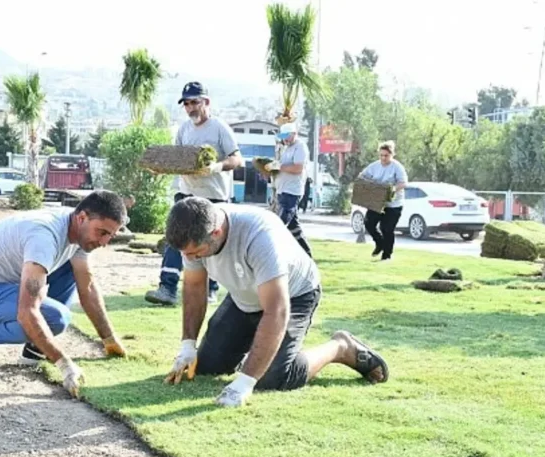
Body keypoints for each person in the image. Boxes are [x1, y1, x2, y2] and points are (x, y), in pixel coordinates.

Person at [162, 197, 389, 407]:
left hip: (293, 295)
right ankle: (254, 351)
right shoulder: (194, 232)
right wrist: (187, 345)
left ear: (216, 232)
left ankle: (340, 347)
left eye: (197, 254)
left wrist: (245, 382)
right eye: (187, 254)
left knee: (271, 377)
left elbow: (276, 311)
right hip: (245, 296)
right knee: (204, 367)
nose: (191, 259)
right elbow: (193, 286)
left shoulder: (260, 237)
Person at [0, 190, 129, 398]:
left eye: (111, 236)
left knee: (73, 270)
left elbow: (86, 286)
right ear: (81, 217)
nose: (104, 242)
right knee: (56, 318)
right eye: (102, 232)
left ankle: (36, 344)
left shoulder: (79, 231)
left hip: (3, 286)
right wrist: (65, 364)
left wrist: (109, 339)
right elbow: (27, 312)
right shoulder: (44, 237)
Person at [144, 81, 244, 307]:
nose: (191, 108)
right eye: (187, 104)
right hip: (186, 193)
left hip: (214, 196)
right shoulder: (184, 129)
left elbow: (237, 159)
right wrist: (160, 168)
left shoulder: (219, 128)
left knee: (210, 242)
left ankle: (210, 289)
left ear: (206, 102)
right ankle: (167, 288)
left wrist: (216, 167)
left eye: (195, 102)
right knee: (174, 238)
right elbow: (177, 159)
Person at [358, 141, 408, 261]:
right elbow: (362, 176)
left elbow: (403, 183)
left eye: (386, 155)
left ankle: (387, 255)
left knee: (387, 228)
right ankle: (379, 243)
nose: (383, 158)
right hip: (377, 200)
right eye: (381, 155)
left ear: (392, 155)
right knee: (369, 223)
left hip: (393, 204)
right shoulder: (374, 166)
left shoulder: (397, 167)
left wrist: (392, 190)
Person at [268, 123, 312, 257]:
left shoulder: (300, 147)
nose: (285, 140)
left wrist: (279, 167)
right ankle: (307, 255)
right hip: (283, 190)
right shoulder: (287, 148)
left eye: (287, 136)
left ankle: (274, 254)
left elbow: (298, 168)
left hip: (292, 191)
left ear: (294, 133)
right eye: (283, 137)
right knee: (294, 227)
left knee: (280, 225)